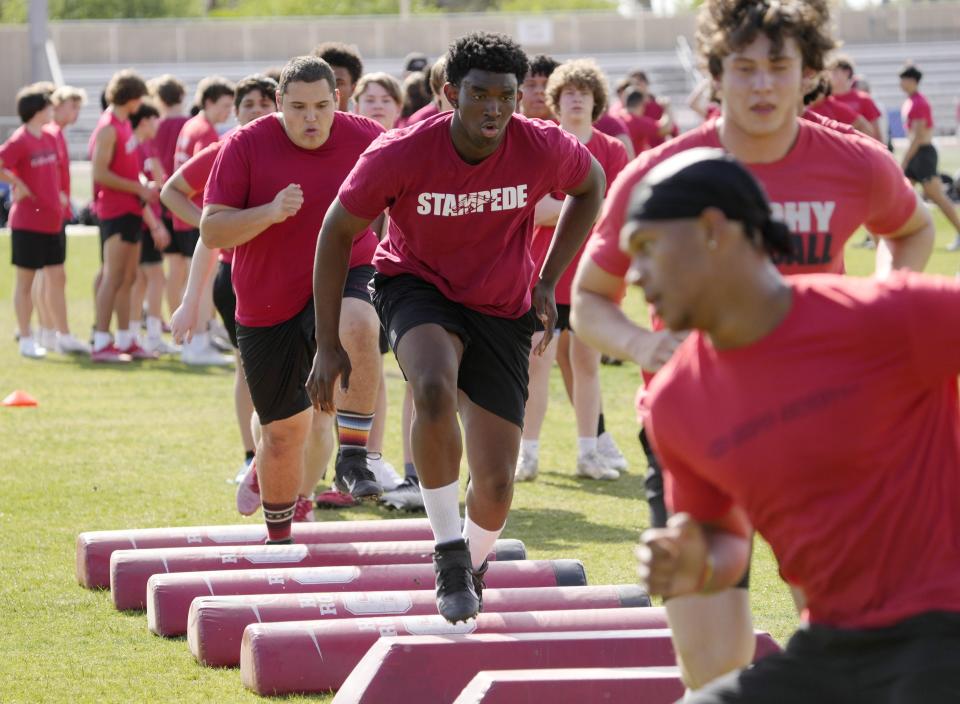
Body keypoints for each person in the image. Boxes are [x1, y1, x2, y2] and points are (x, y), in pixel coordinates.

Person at [571, 0, 934, 691]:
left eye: (779, 67)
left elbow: (911, 229)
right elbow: (589, 294)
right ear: (716, 75)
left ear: (808, 75)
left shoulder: (855, 163)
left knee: (851, 654)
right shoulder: (665, 177)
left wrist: (875, 305)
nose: (762, 86)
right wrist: (641, 349)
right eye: (744, 68)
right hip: (697, 438)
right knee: (713, 674)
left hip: (823, 433)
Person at [627, 148, 960, 704]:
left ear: (713, 230)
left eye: (647, 248)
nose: (635, 276)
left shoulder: (885, 317)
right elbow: (726, 541)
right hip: (830, 648)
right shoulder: (673, 403)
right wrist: (697, 563)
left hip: (944, 631)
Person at [307, 31, 605, 623]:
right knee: (434, 386)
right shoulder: (401, 151)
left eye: (507, 96)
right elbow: (336, 232)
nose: (494, 109)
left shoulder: (541, 146)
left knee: (495, 483)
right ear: (449, 93)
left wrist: (547, 280)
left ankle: (473, 560)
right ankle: (448, 553)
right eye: (479, 95)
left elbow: (590, 186)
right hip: (417, 286)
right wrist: (326, 345)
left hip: (501, 304)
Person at [201, 56, 385, 543]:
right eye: (298, 107)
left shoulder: (365, 137)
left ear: (337, 101)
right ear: (279, 103)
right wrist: (268, 211)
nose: (311, 118)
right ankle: (278, 540)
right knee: (283, 435)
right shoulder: (246, 143)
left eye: (322, 106)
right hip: (267, 301)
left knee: (360, 323)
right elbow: (212, 226)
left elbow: (408, 195)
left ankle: (353, 456)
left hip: (347, 271)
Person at [516, 58, 630, 483]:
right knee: (536, 362)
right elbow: (535, 208)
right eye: (569, 92)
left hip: (592, 273)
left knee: (586, 362)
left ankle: (589, 452)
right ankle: (527, 454)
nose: (577, 98)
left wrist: (568, 209)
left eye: (584, 92)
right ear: (556, 101)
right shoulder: (543, 143)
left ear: (596, 99)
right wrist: (584, 207)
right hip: (544, 270)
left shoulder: (612, 150)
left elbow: (614, 210)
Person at [166, 73, 277, 485]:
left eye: (266, 103)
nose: (257, 111)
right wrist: (212, 227)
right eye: (248, 104)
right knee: (247, 369)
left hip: (289, 277)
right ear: (235, 110)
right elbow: (172, 191)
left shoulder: (298, 150)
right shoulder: (225, 149)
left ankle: (288, 455)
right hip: (237, 277)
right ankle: (252, 457)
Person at [90, 69, 159, 363]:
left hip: (131, 208)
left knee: (129, 277)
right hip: (115, 211)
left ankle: (125, 339)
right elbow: (100, 173)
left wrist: (141, 185)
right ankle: (101, 341)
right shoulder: (108, 127)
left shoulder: (122, 124)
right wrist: (137, 187)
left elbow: (125, 168)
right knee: (113, 277)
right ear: (131, 98)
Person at [170, 76, 236, 364]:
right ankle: (197, 343)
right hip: (199, 215)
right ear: (208, 102)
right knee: (203, 280)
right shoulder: (206, 131)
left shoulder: (191, 124)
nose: (227, 113)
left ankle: (199, 338)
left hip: (189, 214)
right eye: (224, 106)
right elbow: (207, 176)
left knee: (195, 278)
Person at [0, 84, 64, 358]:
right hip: (27, 223)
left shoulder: (49, 137)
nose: (52, 110)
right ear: (37, 111)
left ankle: (49, 335)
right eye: (48, 106)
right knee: (25, 283)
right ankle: (26, 337)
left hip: (52, 222)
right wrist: (16, 182)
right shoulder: (20, 139)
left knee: (55, 278)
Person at [30, 85, 90, 355]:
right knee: (53, 275)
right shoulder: (52, 133)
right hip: (51, 213)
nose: (76, 112)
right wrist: (58, 196)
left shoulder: (54, 134)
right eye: (72, 106)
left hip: (53, 212)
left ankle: (47, 331)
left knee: (46, 275)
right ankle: (58, 332)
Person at [898, 64, 960, 252]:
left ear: (912, 81)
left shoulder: (919, 102)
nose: (900, 83)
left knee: (938, 197)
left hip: (922, 154)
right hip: (918, 153)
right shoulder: (911, 101)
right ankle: (900, 236)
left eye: (903, 79)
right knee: (900, 194)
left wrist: (906, 159)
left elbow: (918, 136)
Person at [128, 100, 171, 357]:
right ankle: (151, 334)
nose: (158, 124)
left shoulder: (146, 146)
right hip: (144, 222)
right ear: (144, 120)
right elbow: (139, 193)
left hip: (147, 220)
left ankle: (136, 334)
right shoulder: (133, 146)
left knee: (143, 280)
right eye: (155, 119)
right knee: (155, 277)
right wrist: (155, 226)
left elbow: (160, 182)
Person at [827, 54, 882, 140]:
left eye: (834, 72)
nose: (829, 76)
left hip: (859, 151)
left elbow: (877, 135)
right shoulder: (823, 101)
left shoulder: (864, 99)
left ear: (846, 73)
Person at [314, 42, 364, 113]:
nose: (330, 89)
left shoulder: (363, 124)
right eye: (325, 82)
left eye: (339, 83)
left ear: (353, 89)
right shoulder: (300, 122)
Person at [519, 54, 559, 121]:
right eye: (531, 84)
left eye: (547, 84)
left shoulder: (572, 129)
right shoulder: (504, 128)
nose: (539, 91)